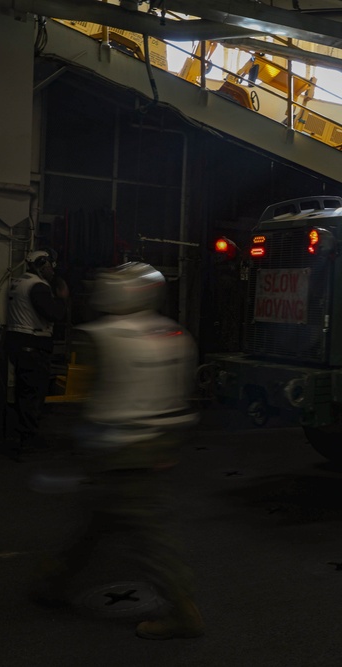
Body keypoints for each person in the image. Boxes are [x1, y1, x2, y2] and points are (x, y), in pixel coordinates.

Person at [32, 262, 203, 640]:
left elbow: (79, 397)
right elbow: (182, 396)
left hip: (115, 450)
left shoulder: (98, 336)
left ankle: (183, 612)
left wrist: (66, 444)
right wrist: (168, 446)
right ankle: (52, 583)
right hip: (156, 446)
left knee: (149, 538)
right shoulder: (175, 334)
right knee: (97, 523)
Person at [6, 249, 68, 460]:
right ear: (41, 264)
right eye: (49, 265)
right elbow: (54, 314)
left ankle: (20, 438)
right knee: (32, 396)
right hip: (33, 347)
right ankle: (27, 443)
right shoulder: (37, 287)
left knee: (23, 394)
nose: (52, 270)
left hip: (18, 345)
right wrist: (61, 298)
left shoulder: (18, 282)